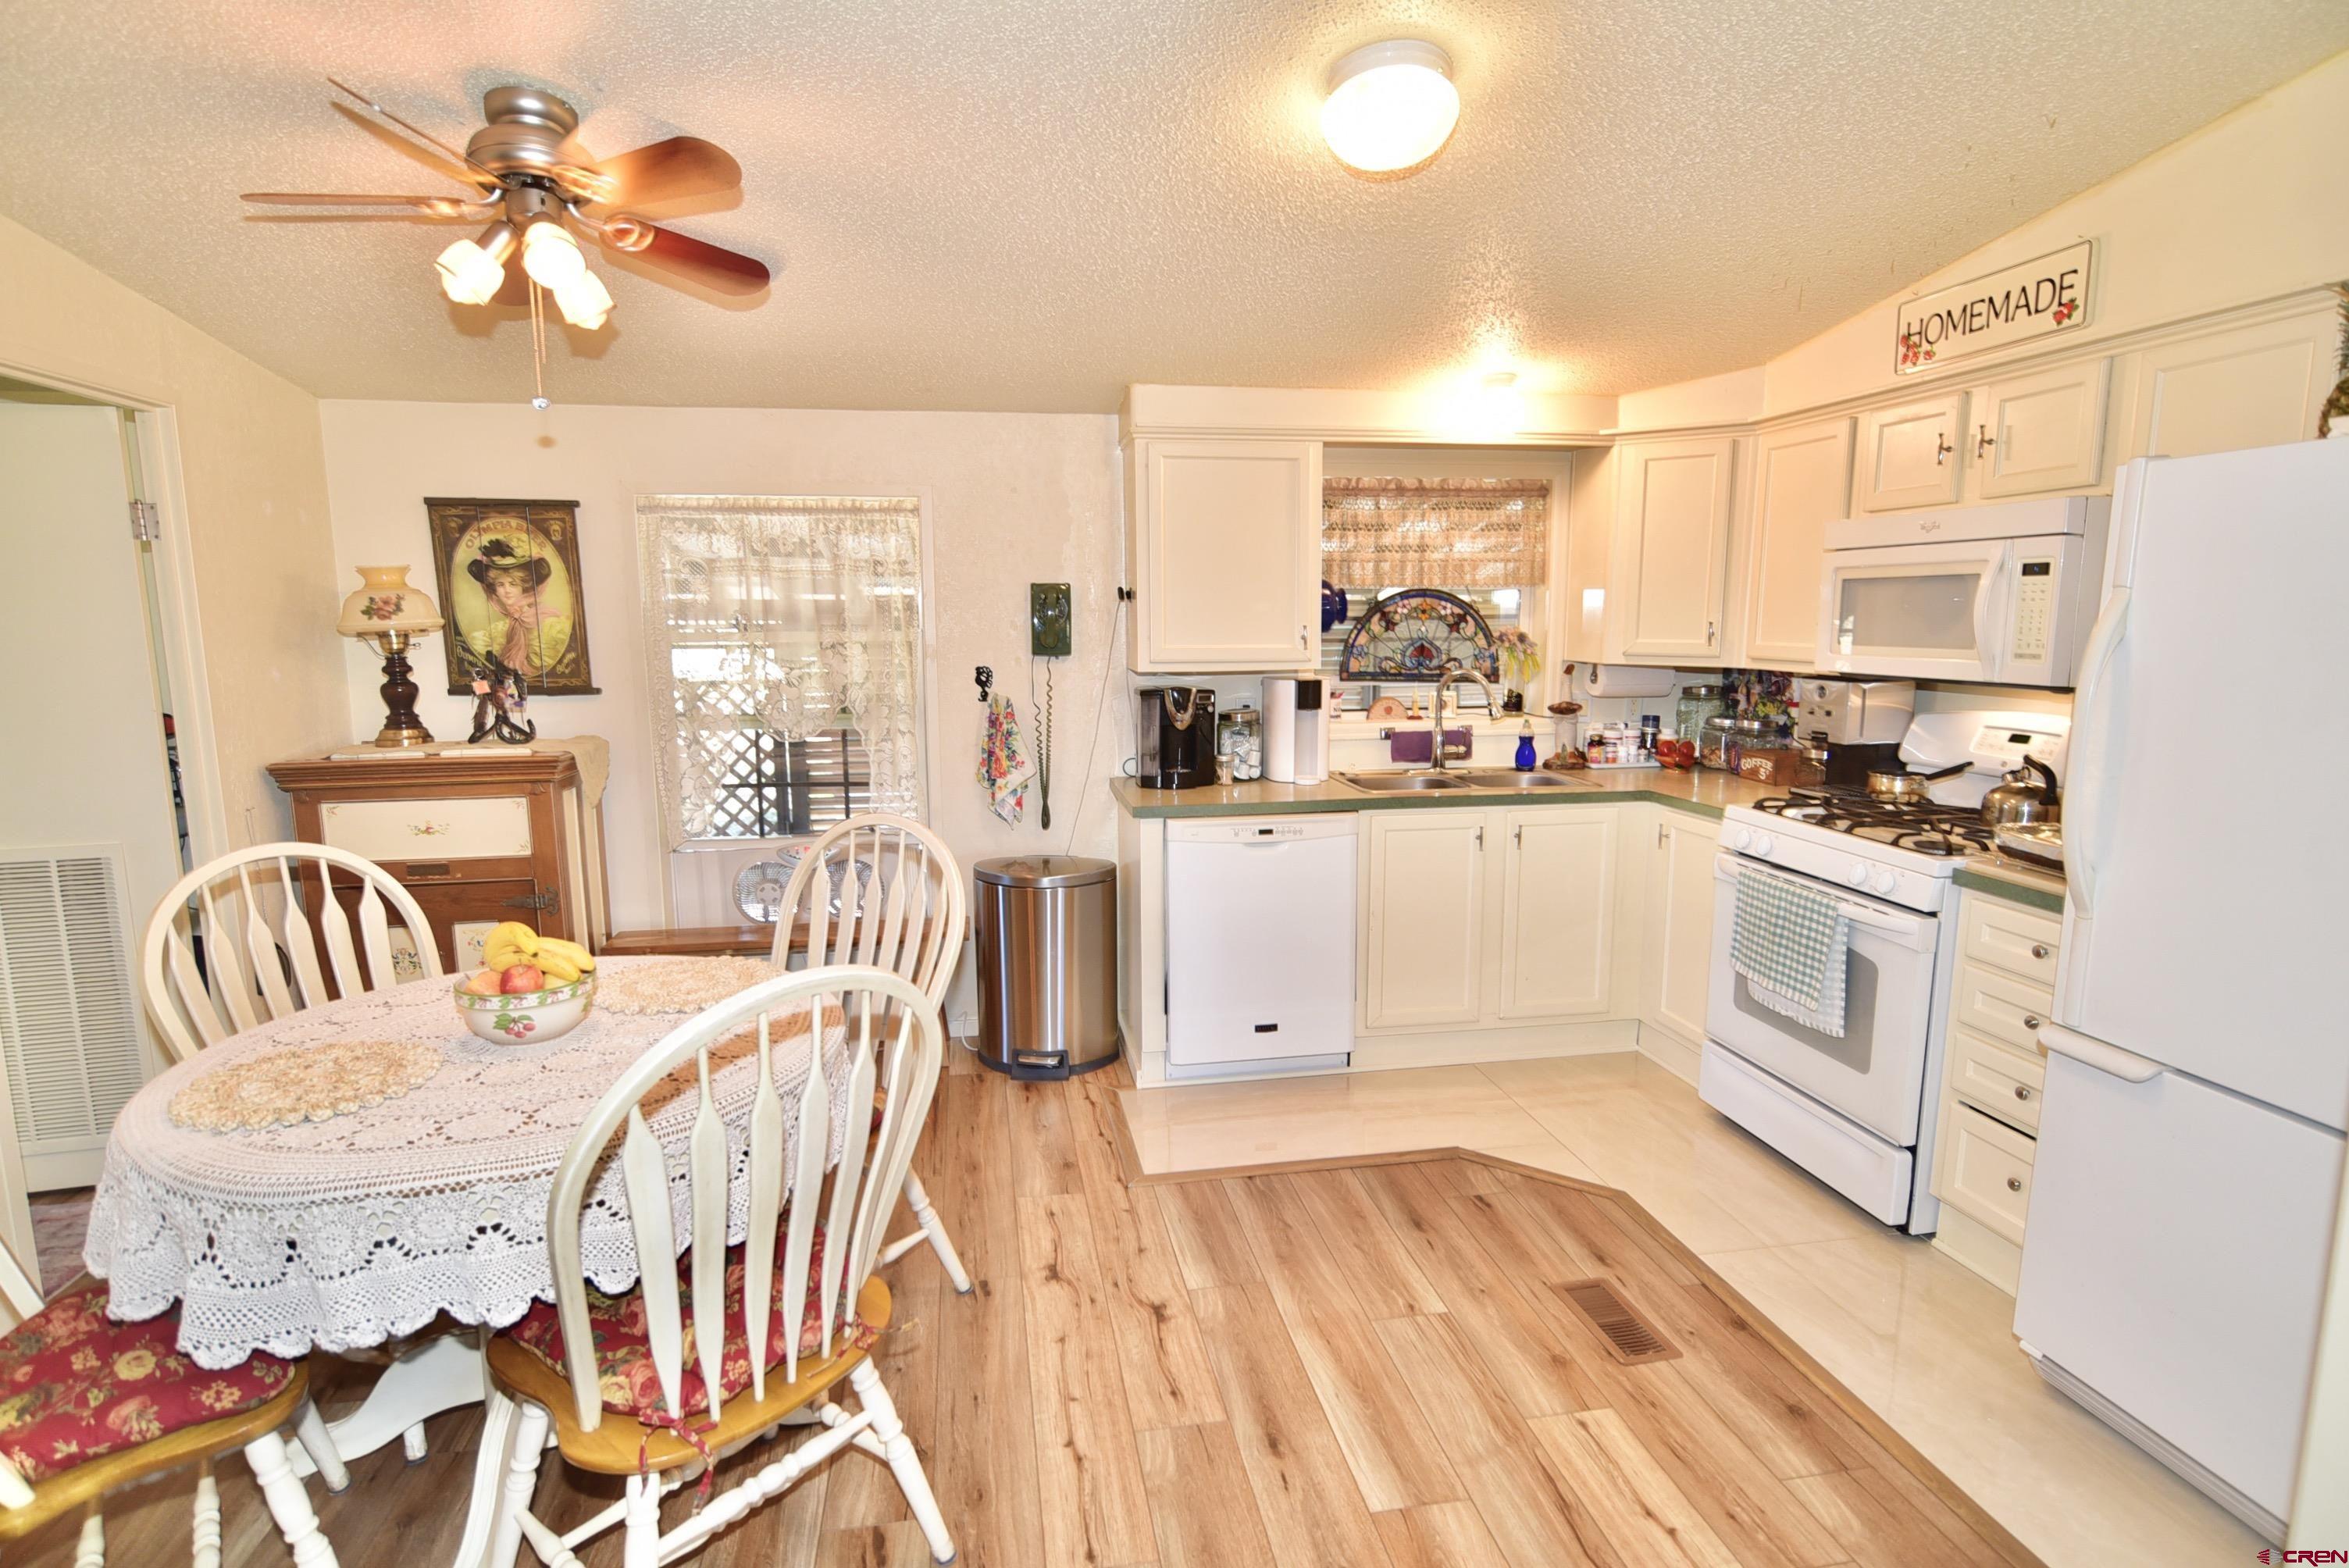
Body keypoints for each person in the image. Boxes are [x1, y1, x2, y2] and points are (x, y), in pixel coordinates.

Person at [464, 534, 569, 678]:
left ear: (524, 587)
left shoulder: (551, 625)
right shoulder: (496, 632)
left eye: (513, 584)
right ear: (495, 590)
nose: (507, 590)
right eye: (501, 585)